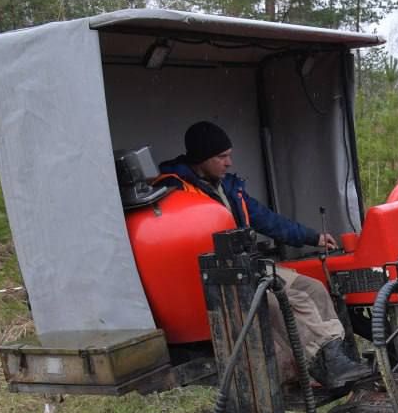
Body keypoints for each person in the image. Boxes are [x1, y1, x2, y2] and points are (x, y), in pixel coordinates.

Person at [157, 121, 372, 390]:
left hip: (252, 266)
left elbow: (267, 220)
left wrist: (311, 237)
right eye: (221, 157)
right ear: (201, 158)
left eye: (229, 155)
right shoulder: (176, 192)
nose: (229, 163)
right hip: (222, 276)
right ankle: (322, 362)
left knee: (314, 288)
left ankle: (334, 358)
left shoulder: (230, 188)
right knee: (293, 300)